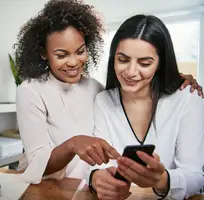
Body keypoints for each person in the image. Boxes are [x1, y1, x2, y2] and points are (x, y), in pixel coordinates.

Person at [14, 0, 203, 184]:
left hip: (83, 189)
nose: (73, 62)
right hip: (46, 187)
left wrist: (172, 77)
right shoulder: (31, 91)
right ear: (43, 52)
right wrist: (73, 145)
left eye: (80, 51)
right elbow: (36, 162)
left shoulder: (96, 89)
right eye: (61, 55)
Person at [87, 14, 204, 200]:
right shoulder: (103, 101)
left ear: (160, 64)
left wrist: (163, 180)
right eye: (123, 60)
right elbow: (99, 165)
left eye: (144, 63)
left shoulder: (188, 99)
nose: (131, 72)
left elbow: (196, 176)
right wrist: (96, 178)